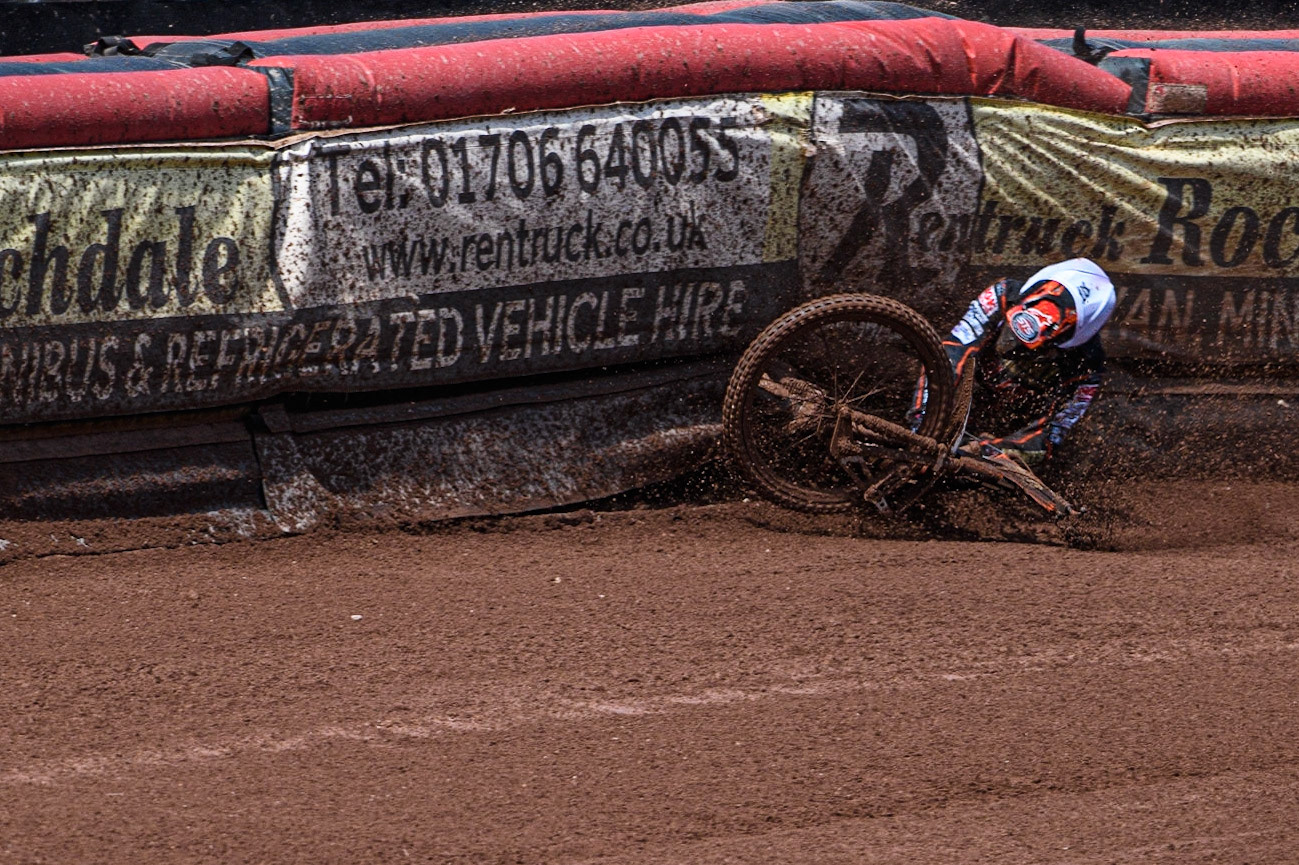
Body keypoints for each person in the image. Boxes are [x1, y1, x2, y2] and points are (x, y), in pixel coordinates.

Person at [911, 257, 1117, 467]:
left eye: (1037, 348)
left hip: (1010, 431)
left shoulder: (1087, 366)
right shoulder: (1003, 294)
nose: (1012, 345)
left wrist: (983, 451)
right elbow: (953, 351)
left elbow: (1050, 437)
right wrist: (926, 420)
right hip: (966, 400)